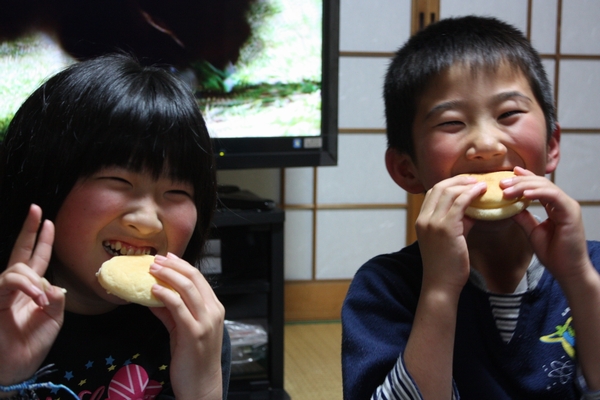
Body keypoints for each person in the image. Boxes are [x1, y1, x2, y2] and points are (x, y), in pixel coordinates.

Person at [342, 15, 600, 399]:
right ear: (406, 168)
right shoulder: (384, 289)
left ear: (552, 145)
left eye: (509, 114)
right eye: (451, 122)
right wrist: (440, 289)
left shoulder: (591, 267)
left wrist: (578, 278)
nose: (488, 144)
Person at [0, 53, 230, 400]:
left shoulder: (195, 332)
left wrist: (204, 389)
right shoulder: (4, 318)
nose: (147, 221)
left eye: (176, 192)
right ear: (46, 182)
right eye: (118, 180)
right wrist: (6, 378)